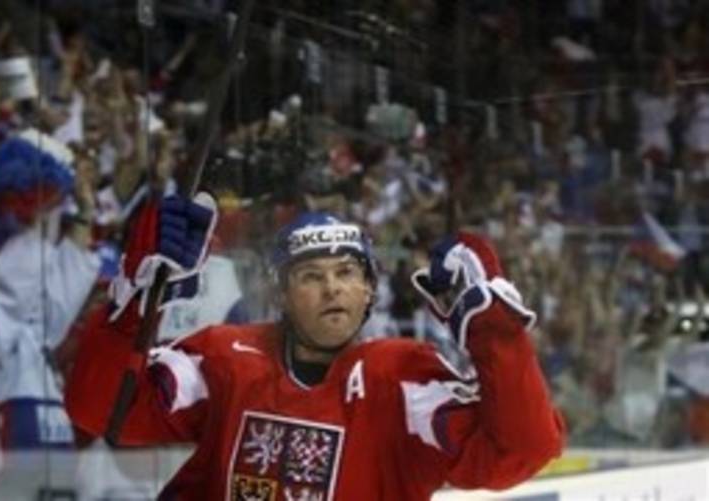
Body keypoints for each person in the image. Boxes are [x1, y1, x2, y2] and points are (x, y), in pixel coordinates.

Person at [65, 195, 564, 500]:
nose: (332, 288)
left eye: (347, 272)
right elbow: (99, 410)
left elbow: (521, 453)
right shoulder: (226, 357)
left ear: (368, 291)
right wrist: (134, 301)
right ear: (282, 294)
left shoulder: (403, 381)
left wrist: (493, 328)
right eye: (311, 276)